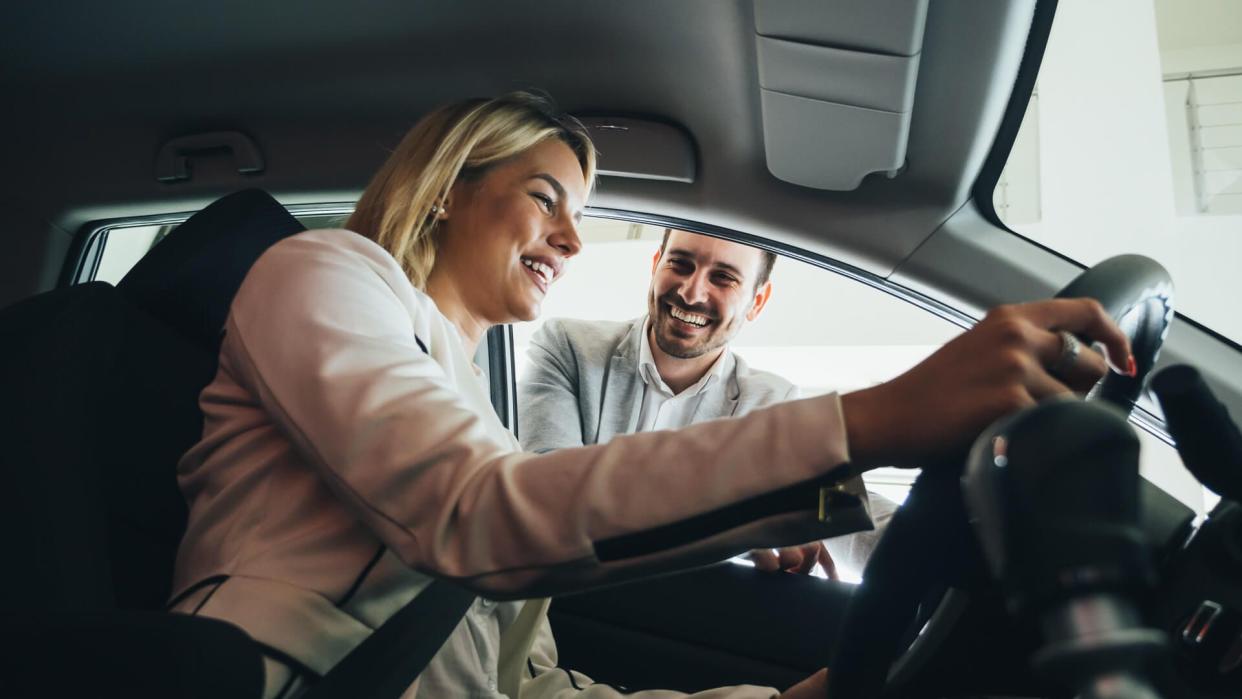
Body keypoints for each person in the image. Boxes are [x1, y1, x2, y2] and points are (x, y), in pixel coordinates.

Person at [168, 91, 1135, 699]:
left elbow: (536, 686)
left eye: (579, 215)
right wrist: (875, 419)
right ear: (448, 188)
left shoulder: (468, 401)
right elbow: (475, 516)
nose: (574, 242)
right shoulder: (321, 271)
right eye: (546, 197)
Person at [518, 228, 899, 577]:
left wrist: (935, 557)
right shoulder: (565, 346)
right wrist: (735, 525)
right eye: (679, 265)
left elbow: (847, 506)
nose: (691, 292)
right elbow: (550, 495)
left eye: (723, 278)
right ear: (655, 266)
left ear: (757, 302)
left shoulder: (770, 402)